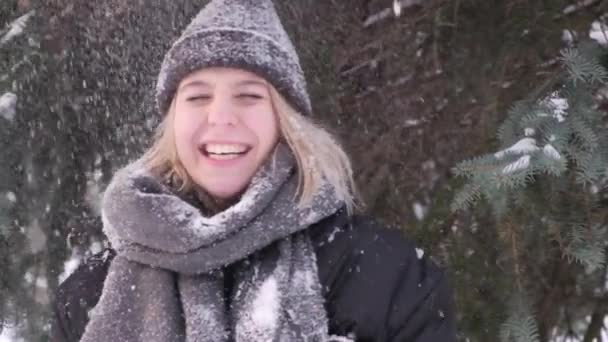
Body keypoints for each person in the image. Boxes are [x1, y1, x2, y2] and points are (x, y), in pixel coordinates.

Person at [49, 0, 456, 341]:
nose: (221, 116)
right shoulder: (89, 292)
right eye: (197, 96)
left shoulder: (388, 277)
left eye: (248, 95)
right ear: (172, 126)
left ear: (286, 121)